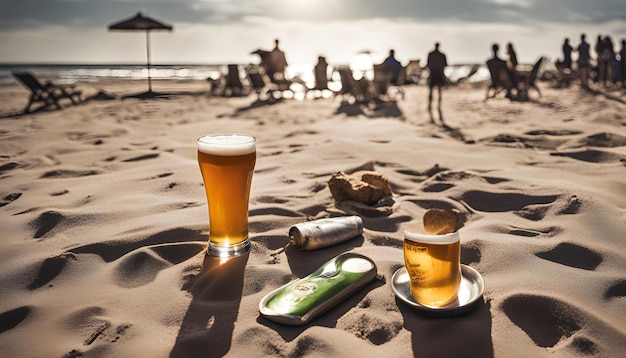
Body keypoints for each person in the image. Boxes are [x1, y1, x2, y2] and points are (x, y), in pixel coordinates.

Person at [426, 42, 447, 110]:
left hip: (433, 73)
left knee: (431, 90)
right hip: (439, 73)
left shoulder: (431, 54)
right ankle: (438, 105)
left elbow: (428, 65)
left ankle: (430, 105)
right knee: (439, 90)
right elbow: (444, 66)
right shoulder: (442, 55)